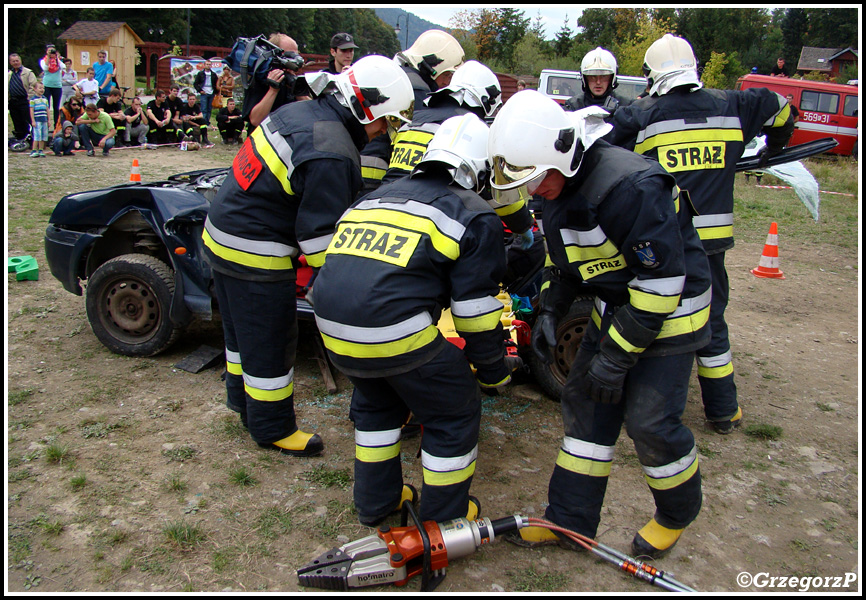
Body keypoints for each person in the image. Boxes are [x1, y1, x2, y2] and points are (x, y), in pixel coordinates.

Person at [489, 90, 712, 560]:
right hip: (622, 302)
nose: (531, 191)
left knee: (649, 422)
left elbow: (662, 284)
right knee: (585, 403)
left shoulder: (629, 187)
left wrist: (615, 358)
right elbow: (568, 262)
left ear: (563, 156)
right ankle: (569, 520)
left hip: (670, 309)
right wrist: (551, 307)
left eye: (536, 178)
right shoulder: (557, 184)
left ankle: (677, 512)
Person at [201, 55, 414, 459]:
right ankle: (272, 428)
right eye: (384, 120)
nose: (383, 131)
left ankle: (242, 402)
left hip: (221, 235)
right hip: (256, 254)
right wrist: (344, 289)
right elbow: (319, 241)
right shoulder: (333, 152)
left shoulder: (300, 111)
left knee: (239, 334)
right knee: (269, 338)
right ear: (364, 108)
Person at [311, 113, 515, 525]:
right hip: (393, 331)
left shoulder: (376, 196)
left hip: (331, 328)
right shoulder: (473, 213)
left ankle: (376, 503)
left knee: (376, 404)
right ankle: (443, 521)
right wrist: (494, 371)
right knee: (453, 407)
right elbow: (474, 313)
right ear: (480, 167)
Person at [605, 33, 794, 435]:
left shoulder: (641, 115)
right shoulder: (735, 104)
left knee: (644, 314)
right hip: (712, 246)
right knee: (713, 321)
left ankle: (628, 399)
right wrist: (772, 149)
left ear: (652, 74)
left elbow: (604, 156)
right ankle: (723, 411)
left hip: (660, 244)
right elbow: (781, 107)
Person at [382, 59, 534, 252]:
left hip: (385, 212)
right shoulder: (467, 131)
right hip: (433, 221)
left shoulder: (411, 122)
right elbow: (496, 192)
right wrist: (523, 225)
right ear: (487, 100)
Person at [358, 29, 465, 199]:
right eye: (446, 74)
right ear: (430, 67)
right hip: (378, 179)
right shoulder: (418, 92)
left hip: (358, 169)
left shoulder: (395, 76)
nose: (446, 82)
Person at [242, 34, 305, 132]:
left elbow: (312, 112)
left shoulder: (293, 80)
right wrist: (273, 90)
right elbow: (255, 120)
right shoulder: (260, 80)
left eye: (296, 54)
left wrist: (297, 88)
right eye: (289, 55)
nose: (295, 60)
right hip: (264, 140)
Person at [564, 47, 630, 116]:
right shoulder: (573, 106)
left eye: (603, 76)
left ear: (612, 78)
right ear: (585, 78)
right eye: (593, 77)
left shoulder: (625, 106)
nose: (598, 82)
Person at [9, 53, 38, 141]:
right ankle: (20, 138)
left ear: (20, 61)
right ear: (10, 62)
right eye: (13, 61)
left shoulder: (28, 72)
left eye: (17, 60)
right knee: (17, 121)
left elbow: (33, 86)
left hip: (25, 100)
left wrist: (29, 99)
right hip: (13, 101)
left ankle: (31, 138)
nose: (15, 63)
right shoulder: (9, 74)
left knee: (27, 120)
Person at [40, 44, 64, 124]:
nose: (51, 53)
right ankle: (46, 123)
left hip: (57, 85)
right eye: (49, 51)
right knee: (46, 105)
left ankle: (56, 124)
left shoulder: (58, 61)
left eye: (53, 51)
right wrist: (48, 57)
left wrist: (57, 58)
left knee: (56, 107)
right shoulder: (43, 60)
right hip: (47, 85)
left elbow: (63, 67)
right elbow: (45, 68)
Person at [193, 62, 218, 129]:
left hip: (211, 92)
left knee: (209, 109)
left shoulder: (213, 74)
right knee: (203, 109)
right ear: (204, 65)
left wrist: (215, 91)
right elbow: (195, 83)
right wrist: (200, 90)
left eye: (209, 64)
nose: (208, 66)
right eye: (207, 64)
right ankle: (203, 123)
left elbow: (216, 84)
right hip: (204, 93)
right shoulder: (200, 74)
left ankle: (207, 122)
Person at [29, 82, 50, 157]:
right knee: (37, 135)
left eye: (43, 88)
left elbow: (47, 109)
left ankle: (41, 150)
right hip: (37, 120)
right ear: (35, 89)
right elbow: (31, 110)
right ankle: (34, 150)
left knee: (43, 136)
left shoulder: (45, 99)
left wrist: (48, 120)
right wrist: (33, 121)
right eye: (40, 88)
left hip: (44, 120)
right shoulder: (33, 99)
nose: (42, 90)